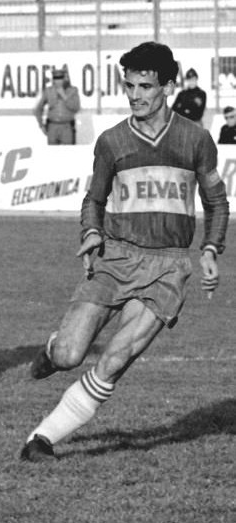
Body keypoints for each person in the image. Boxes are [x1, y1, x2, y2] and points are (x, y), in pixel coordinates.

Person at [20, 41, 229, 462]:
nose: (135, 95)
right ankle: (53, 351)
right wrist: (91, 232)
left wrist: (210, 248)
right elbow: (94, 199)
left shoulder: (196, 139)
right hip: (116, 258)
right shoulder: (112, 141)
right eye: (129, 85)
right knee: (70, 354)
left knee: (115, 359)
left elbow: (216, 201)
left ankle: (41, 439)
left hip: (168, 267)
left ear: (167, 87)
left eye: (145, 86)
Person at [34, 67, 81, 144]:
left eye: (60, 78)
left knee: (68, 150)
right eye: (56, 78)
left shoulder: (72, 90)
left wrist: (64, 96)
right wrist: (41, 125)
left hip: (67, 126)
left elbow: (76, 107)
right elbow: (38, 109)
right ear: (53, 80)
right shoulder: (48, 91)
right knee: (52, 150)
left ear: (64, 79)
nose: (58, 81)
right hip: (52, 126)